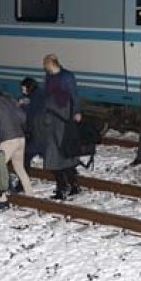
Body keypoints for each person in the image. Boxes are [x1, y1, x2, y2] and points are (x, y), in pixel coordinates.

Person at [37, 54, 82, 200]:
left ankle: (65, 187)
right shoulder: (49, 77)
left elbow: (74, 95)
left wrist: (76, 111)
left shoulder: (67, 77)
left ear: (52, 63)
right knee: (59, 155)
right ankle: (68, 186)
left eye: (46, 64)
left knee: (59, 154)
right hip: (52, 121)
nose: (45, 67)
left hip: (62, 121)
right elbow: (43, 95)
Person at [18, 77, 46, 177]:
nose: (22, 90)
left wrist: (21, 105)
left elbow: (29, 114)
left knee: (25, 156)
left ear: (29, 87)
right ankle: (70, 182)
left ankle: (22, 183)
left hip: (37, 134)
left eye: (23, 88)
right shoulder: (39, 95)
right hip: (42, 134)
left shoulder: (33, 99)